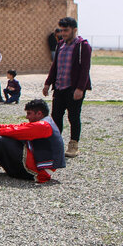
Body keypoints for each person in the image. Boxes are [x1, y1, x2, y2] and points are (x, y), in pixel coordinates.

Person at [0, 99, 65, 183]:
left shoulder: (43, 126)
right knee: (5, 141)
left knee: (0, 142)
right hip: (38, 167)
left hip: (38, 172)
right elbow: (13, 127)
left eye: (29, 114)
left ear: (39, 113)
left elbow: (13, 131)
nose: (27, 117)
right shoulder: (45, 123)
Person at [43, 16, 91, 158]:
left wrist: (80, 88)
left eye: (66, 30)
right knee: (56, 116)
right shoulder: (61, 45)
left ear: (74, 30)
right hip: (59, 87)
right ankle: (55, 145)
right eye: (61, 30)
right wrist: (47, 83)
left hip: (73, 88)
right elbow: (55, 66)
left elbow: (85, 69)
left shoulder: (83, 46)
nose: (63, 33)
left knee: (73, 117)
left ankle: (73, 145)